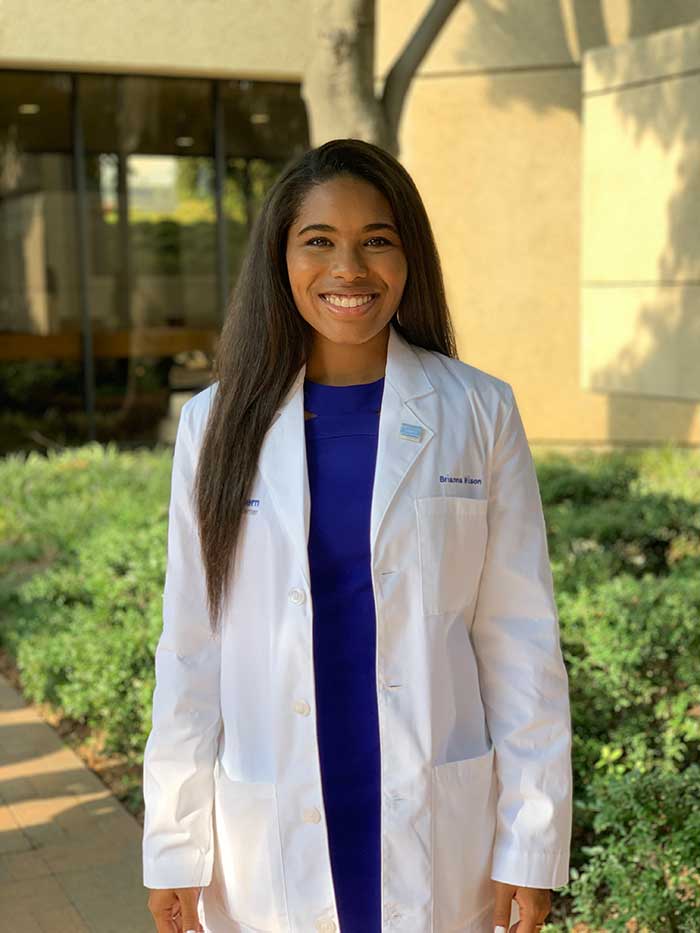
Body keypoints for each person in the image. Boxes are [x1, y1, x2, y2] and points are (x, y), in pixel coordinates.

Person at [142, 138, 573, 933]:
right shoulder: (216, 425)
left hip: (431, 812)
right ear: (281, 258)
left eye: (377, 239)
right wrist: (175, 843)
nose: (350, 268)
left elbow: (519, 641)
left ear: (410, 257)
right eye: (319, 242)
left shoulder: (478, 412)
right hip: (269, 813)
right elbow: (192, 646)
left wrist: (531, 840)